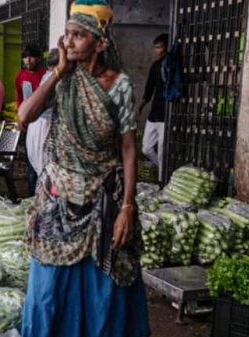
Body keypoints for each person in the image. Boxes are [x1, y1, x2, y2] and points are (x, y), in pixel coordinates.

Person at [17, 1, 150, 336]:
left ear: (100, 42)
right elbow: (24, 116)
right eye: (68, 35)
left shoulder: (119, 86)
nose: (70, 41)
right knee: (47, 287)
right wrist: (58, 71)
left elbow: (128, 149)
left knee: (104, 289)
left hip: (103, 199)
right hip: (59, 196)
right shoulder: (61, 79)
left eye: (78, 35)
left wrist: (127, 207)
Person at [15, 42, 47, 196]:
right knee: (31, 164)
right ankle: (32, 198)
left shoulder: (47, 75)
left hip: (46, 126)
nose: (28, 60)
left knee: (46, 163)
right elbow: (19, 99)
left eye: (31, 57)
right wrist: (20, 118)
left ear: (40, 58)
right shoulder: (20, 76)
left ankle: (45, 196)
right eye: (25, 57)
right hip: (29, 127)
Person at [21, 48, 59, 177]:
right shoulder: (53, 77)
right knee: (46, 165)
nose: (28, 60)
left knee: (42, 166)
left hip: (39, 125)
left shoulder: (47, 76)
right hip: (44, 125)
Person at [137, 33, 169, 182]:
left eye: (159, 47)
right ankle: (164, 170)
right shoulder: (156, 66)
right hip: (154, 113)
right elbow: (148, 90)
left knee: (162, 150)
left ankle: (162, 180)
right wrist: (140, 108)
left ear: (167, 48)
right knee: (146, 148)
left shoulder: (172, 66)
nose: (157, 50)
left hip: (166, 115)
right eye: (155, 47)